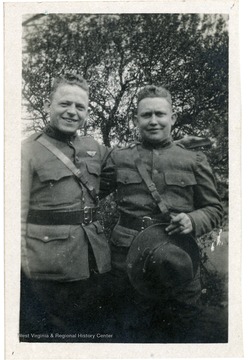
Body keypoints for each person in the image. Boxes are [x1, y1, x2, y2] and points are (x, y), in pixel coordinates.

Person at [100, 85, 223, 342]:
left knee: (181, 335)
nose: (153, 121)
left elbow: (214, 210)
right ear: (136, 120)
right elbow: (89, 192)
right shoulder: (119, 158)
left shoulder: (194, 160)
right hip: (126, 265)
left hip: (178, 264)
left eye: (160, 114)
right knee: (128, 336)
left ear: (172, 118)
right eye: (146, 115)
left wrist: (193, 219)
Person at [20, 73, 112, 338]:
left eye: (80, 107)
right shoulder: (26, 151)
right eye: (64, 104)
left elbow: (126, 165)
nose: (72, 112)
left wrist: (170, 147)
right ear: (50, 105)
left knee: (92, 334)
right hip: (48, 270)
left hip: (93, 262)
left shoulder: (93, 146)